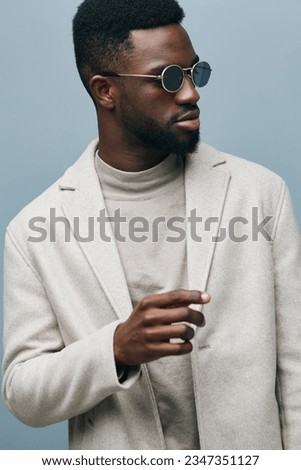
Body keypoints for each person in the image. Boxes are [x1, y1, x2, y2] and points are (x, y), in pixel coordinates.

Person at [2, 0, 301, 450]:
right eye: (168, 78)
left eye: (194, 72)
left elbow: (295, 367)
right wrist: (116, 348)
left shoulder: (260, 194)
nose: (190, 94)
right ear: (105, 91)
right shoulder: (35, 231)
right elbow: (23, 393)